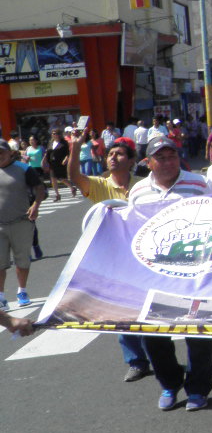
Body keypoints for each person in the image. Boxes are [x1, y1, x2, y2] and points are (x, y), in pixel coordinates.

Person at [127, 137, 212, 410]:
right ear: (148, 162)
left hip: (194, 272)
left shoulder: (198, 183)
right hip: (154, 274)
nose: (167, 162)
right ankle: (170, 384)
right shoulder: (139, 191)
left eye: (172, 156)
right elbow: (132, 229)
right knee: (153, 334)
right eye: (160, 158)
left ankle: (198, 389)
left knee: (198, 332)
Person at [68, 131, 152, 381]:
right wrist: (74, 149)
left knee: (149, 309)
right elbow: (74, 177)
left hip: (145, 256)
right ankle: (136, 361)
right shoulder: (100, 185)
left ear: (131, 160)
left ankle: (158, 356)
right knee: (119, 311)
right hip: (114, 259)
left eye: (120, 154)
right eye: (110, 154)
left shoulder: (144, 185)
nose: (113, 158)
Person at [0, 140, 45, 310]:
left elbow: (40, 188)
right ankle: (1, 296)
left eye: (1, 152)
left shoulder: (23, 168)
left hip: (21, 222)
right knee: (0, 262)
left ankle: (22, 291)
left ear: (10, 153)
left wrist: (35, 205)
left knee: (22, 259)